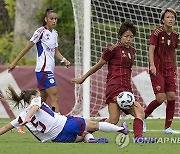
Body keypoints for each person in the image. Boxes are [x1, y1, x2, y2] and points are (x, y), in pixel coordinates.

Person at [71, 21, 155, 143]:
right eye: (126, 36)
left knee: (120, 119)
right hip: (115, 87)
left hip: (127, 88)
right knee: (127, 116)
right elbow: (99, 65)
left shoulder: (132, 51)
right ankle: (85, 128)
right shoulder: (112, 49)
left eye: (131, 36)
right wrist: (83, 78)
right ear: (120, 35)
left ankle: (138, 138)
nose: (128, 39)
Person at [0, 85, 129, 143]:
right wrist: (29, 118)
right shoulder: (35, 101)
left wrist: (26, 118)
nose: (41, 97)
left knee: (83, 134)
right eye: (39, 94)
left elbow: (6, 128)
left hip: (57, 138)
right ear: (33, 96)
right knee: (95, 125)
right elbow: (34, 106)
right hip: (65, 124)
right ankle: (122, 129)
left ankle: (90, 140)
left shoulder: (21, 116)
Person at [8, 9, 70, 114]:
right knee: (54, 97)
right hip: (43, 69)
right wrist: (14, 62)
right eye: (51, 18)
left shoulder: (55, 33)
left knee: (41, 101)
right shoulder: (40, 32)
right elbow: (27, 48)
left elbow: (56, 51)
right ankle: (58, 122)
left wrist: (64, 60)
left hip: (49, 69)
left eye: (55, 19)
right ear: (46, 19)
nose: (54, 21)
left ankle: (26, 118)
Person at [144, 8, 180, 134]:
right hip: (157, 68)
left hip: (169, 68)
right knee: (160, 98)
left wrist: (175, 67)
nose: (171, 19)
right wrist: (152, 66)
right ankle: (142, 117)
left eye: (172, 17)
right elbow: (151, 49)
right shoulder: (157, 32)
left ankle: (167, 128)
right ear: (163, 19)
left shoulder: (175, 35)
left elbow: (173, 51)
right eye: (168, 17)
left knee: (171, 97)